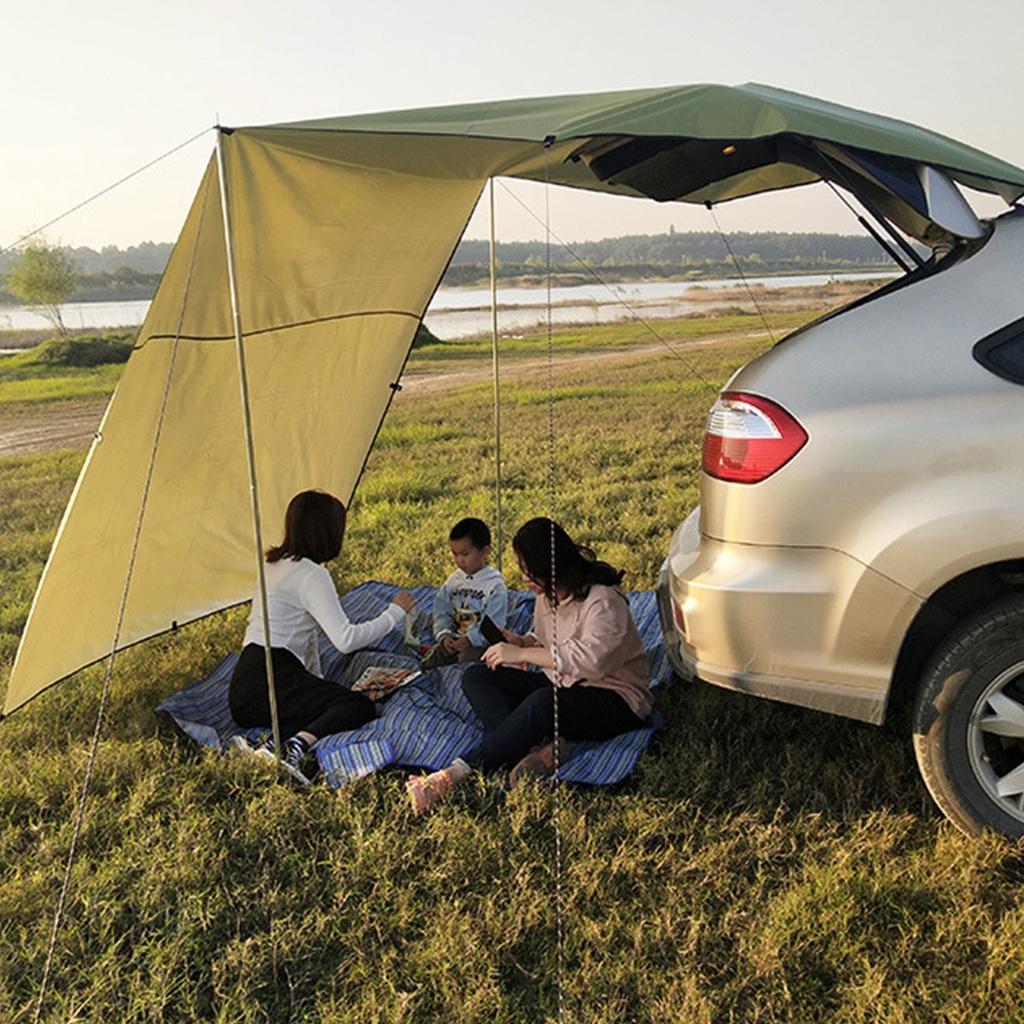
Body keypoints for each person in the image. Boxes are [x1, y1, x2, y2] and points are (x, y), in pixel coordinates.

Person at [406, 517, 652, 814]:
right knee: (477, 677)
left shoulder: (603, 601)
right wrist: (523, 642)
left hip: (615, 697)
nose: (523, 578)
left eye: (527, 569)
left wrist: (520, 655)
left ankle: (451, 776)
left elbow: (589, 662)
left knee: (542, 703)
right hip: (564, 683)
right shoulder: (545, 595)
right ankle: (536, 752)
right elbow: (546, 640)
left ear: (551, 565)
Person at [229, 489, 416, 784]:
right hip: (274, 676)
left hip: (242, 690)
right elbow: (346, 639)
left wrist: (317, 682)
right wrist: (394, 613)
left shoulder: (272, 564)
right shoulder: (311, 574)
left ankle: (270, 744)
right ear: (328, 533)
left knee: (322, 703)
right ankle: (296, 747)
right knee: (357, 705)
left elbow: (307, 638)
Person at [422, 517, 508, 668]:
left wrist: (470, 639)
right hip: (453, 638)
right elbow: (441, 610)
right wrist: (444, 635)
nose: (459, 560)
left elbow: (494, 624)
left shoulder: (494, 585)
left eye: (465, 554)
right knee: (433, 658)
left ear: (485, 551)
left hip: (478, 643)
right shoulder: (453, 581)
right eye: (455, 554)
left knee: (468, 660)